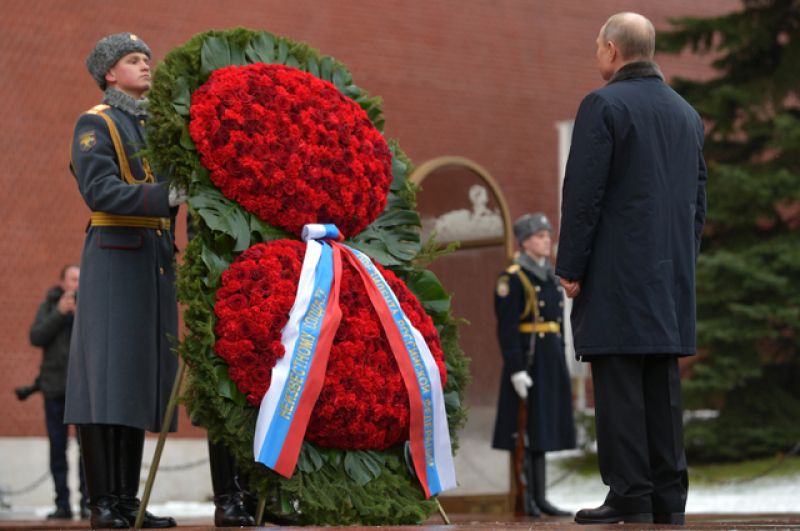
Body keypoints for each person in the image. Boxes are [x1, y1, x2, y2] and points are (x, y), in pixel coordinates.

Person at [556, 12, 706, 526]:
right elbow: (698, 202)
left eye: (598, 45)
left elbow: (583, 194)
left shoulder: (603, 106)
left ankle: (630, 494)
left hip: (617, 273)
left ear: (613, 50)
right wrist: (683, 263)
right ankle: (669, 496)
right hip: (669, 277)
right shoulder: (687, 114)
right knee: (661, 386)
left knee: (618, 382)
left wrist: (571, 265)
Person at [64, 32, 186, 529]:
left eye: (146, 59)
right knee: (105, 381)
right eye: (134, 60)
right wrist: (165, 195)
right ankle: (102, 504)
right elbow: (100, 190)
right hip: (115, 258)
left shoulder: (156, 128)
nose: (146, 66)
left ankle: (127, 501)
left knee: (137, 381)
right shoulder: (96, 124)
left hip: (153, 261)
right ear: (110, 73)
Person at [492, 213, 576, 517]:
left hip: (549, 359)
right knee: (525, 432)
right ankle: (527, 498)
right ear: (525, 241)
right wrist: (515, 369)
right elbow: (507, 328)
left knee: (541, 429)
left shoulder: (551, 277)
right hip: (528, 361)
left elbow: (557, 324)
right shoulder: (513, 278)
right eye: (540, 236)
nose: (546, 240)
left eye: (547, 235)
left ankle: (541, 497)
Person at [28, 265, 89, 520]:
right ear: (63, 282)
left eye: (79, 279)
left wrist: (77, 315)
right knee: (57, 447)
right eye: (72, 279)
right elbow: (36, 337)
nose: (76, 283)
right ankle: (61, 503)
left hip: (82, 389)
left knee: (86, 449)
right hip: (54, 389)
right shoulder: (49, 306)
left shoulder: (88, 306)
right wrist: (59, 313)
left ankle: (88, 501)